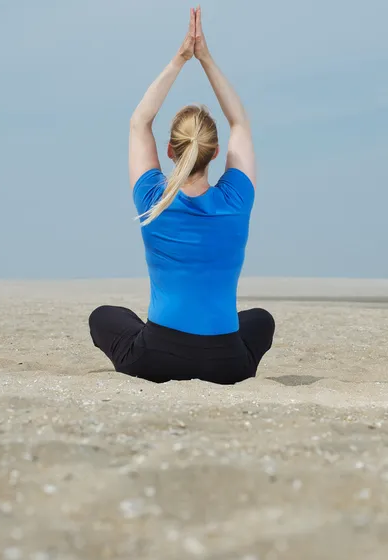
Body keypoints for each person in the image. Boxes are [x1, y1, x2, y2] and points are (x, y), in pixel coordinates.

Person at [89, 6, 275, 385]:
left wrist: (180, 58)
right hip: (227, 363)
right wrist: (205, 58)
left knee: (104, 316)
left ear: (171, 151)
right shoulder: (236, 200)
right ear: (216, 152)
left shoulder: (152, 199)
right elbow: (240, 121)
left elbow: (139, 121)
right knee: (260, 320)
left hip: (158, 357)